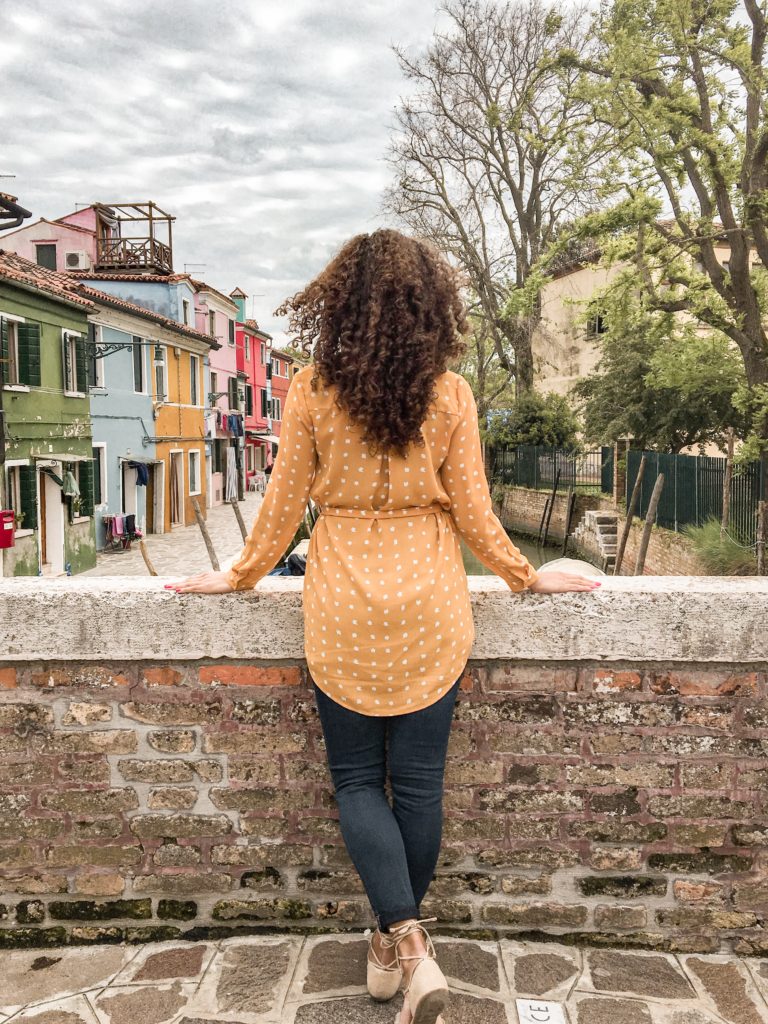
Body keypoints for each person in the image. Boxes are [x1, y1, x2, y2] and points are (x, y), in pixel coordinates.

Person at [166, 229, 600, 1024]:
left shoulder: (311, 393)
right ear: (427, 305)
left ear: (338, 306)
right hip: (431, 598)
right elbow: (474, 512)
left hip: (342, 603)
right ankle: (404, 942)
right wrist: (528, 575)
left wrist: (234, 577)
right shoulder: (452, 395)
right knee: (422, 786)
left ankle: (398, 938)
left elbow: (284, 507)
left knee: (360, 782)